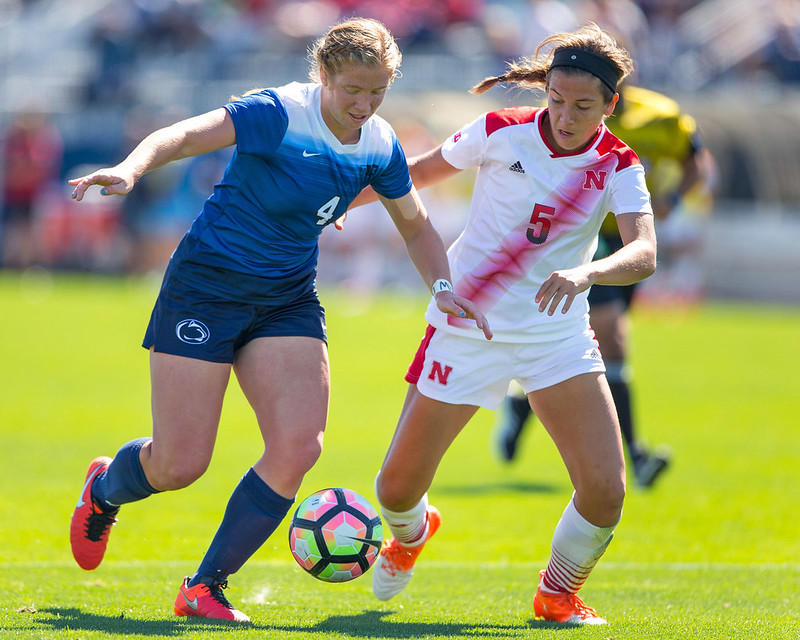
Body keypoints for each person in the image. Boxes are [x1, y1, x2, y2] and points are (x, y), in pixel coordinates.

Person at [66, 17, 489, 623]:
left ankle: (205, 586)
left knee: (297, 447)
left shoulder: (379, 143)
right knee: (180, 465)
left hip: (287, 298)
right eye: (353, 90)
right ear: (324, 76)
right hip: (206, 287)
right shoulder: (278, 111)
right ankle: (105, 489)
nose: (365, 105)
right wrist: (131, 169)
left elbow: (416, 224)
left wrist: (443, 288)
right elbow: (183, 135)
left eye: (377, 92)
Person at [358, 24, 656, 625]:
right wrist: (336, 204)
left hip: (556, 337)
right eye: (557, 100)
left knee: (605, 491)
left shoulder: (619, 164)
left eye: (584, 107)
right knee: (395, 491)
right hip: (467, 327)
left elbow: (644, 253)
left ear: (610, 106)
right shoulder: (499, 130)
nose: (566, 116)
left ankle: (557, 594)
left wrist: (588, 273)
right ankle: (411, 535)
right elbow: (413, 175)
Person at [495, 81, 713, 488]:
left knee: (585, 343)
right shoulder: (564, 114)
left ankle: (521, 405)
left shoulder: (661, 116)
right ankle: (635, 454)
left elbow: (696, 162)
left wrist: (672, 199)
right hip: (581, 238)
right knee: (612, 336)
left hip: (629, 243)